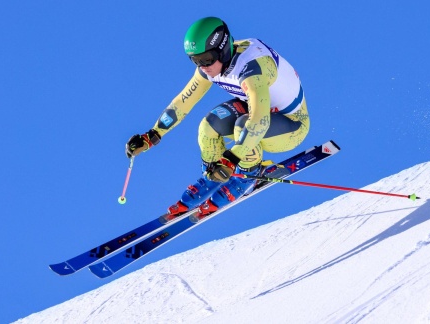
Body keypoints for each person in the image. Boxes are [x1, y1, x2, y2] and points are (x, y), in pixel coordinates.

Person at [125, 17, 310, 220]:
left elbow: (259, 120)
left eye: (206, 59)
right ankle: (214, 178)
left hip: (291, 126)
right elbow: (184, 101)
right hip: (258, 112)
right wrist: (153, 134)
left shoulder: (253, 67)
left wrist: (232, 158)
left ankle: (248, 177)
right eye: (195, 60)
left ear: (222, 49)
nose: (202, 66)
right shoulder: (213, 66)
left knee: (243, 127)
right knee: (208, 126)